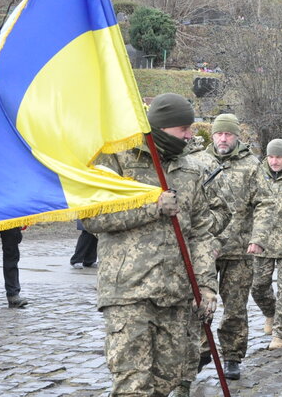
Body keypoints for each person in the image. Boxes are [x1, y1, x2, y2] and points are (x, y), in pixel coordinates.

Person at [82, 93, 218, 397]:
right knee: (133, 385)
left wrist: (207, 286)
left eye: (190, 128)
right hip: (130, 293)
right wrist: (151, 206)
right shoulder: (115, 159)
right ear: (161, 126)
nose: (189, 136)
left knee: (169, 381)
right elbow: (92, 217)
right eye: (183, 129)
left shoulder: (190, 169)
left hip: (178, 294)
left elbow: (201, 233)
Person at [202, 113, 260, 380]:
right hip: (206, 248)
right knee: (200, 305)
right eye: (219, 133)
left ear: (237, 136)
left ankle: (233, 356)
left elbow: (265, 204)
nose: (223, 138)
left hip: (239, 250)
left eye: (228, 134)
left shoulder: (252, 165)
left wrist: (257, 237)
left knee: (235, 308)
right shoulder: (200, 162)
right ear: (212, 135)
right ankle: (200, 352)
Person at [247, 138, 282, 350]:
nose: (274, 161)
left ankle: (280, 334)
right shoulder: (257, 175)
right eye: (270, 156)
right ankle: (269, 312)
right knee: (258, 287)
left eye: (279, 157)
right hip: (263, 242)